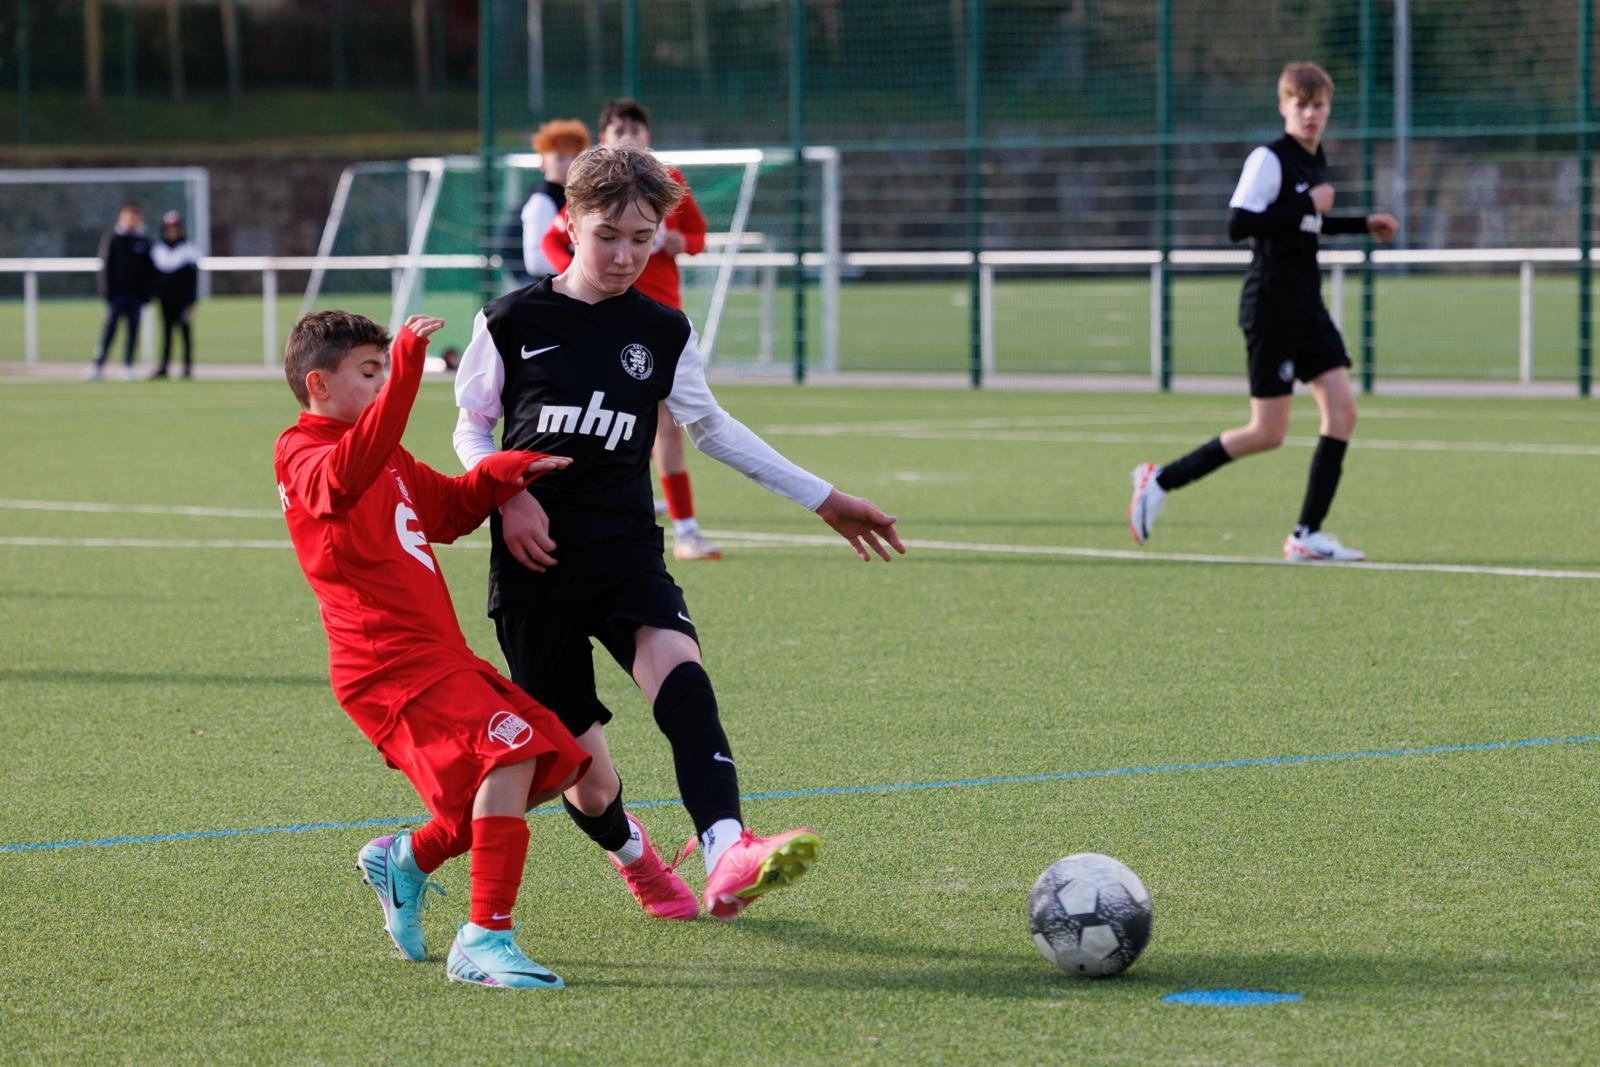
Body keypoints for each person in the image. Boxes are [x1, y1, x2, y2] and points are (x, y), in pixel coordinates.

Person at [454, 144, 905, 922]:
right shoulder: (512, 320)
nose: (625, 256)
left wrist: (823, 497)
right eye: (607, 236)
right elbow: (472, 424)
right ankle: (637, 856)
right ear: (569, 224)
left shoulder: (662, 331)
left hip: (626, 550)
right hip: (536, 566)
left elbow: (711, 427)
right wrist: (506, 492)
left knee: (683, 678)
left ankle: (728, 850)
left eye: (642, 238)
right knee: (585, 777)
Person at [275, 308, 591, 988]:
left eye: (383, 371)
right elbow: (342, 479)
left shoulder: (382, 453)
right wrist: (408, 373)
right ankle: (484, 938)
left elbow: (447, 512)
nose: (381, 383)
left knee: (553, 763)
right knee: (512, 752)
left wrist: (504, 472)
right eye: (368, 372)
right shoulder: (301, 452)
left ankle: (408, 859)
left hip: (436, 651)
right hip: (385, 662)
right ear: (318, 385)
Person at [1128, 61, 1398, 562]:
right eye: (1301, 105)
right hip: (1271, 307)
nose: (1310, 114)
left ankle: (1307, 534)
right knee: (1266, 433)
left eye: (1319, 105)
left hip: (1307, 307)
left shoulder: (1315, 161)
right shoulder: (1269, 159)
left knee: (1343, 412)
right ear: (1283, 107)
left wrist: (1362, 224)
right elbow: (1240, 224)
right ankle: (1160, 480)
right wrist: (1308, 202)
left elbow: (1305, 224)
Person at [541, 97, 721, 562]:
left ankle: (686, 530)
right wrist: (571, 280)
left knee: (669, 425)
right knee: (602, 420)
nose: (629, 136)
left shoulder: (670, 182)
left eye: (636, 129)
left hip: (658, 323)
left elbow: (699, 236)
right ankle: (600, 513)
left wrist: (682, 242)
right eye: (619, 129)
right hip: (603, 321)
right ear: (603, 138)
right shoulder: (597, 190)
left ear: (649, 136)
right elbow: (552, 239)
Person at [516, 119, 591, 284]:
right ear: (543, 162)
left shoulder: (581, 195)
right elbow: (537, 261)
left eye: (575, 156)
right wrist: (583, 270)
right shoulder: (541, 201)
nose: (569, 164)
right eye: (561, 158)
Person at [89, 202, 153, 381]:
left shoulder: (143, 241)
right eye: (129, 217)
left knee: (133, 332)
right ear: (122, 217)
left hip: (136, 296)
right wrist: (107, 293)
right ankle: (98, 365)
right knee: (109, 331)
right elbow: (106, 268)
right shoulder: (113, 239)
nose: (133, 220)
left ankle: (128, 365)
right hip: (117, 295)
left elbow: (148, 271)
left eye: (135, 217)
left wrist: (146, 295)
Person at [150, 211, 200, 379]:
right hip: (165, 300)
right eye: (169, 228)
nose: (172, 231)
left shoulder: (188, 249)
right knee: (166, 333)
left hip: (183, 300)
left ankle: (187, 367)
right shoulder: (158, 249)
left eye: (175, 227)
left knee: (185, 333)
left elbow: (193, 279)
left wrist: (191, 301)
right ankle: (164, 366)